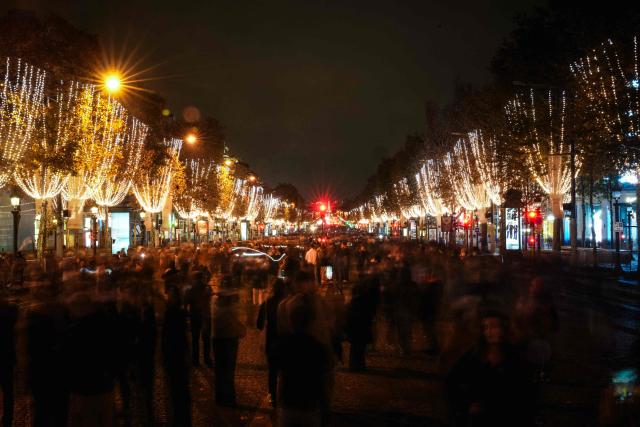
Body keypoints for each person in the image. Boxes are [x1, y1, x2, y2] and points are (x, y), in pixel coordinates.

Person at [447, 310, 535, 427]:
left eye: (494, 327)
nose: (489, 332)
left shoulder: (514, 358)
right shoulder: (475, 354)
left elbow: (524, 393)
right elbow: (452, 379)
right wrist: (466, 405)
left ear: (504, 329)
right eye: (485, 328)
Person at [273, 293, 333, 427]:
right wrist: (326, 408)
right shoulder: (318, 348)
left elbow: (278, 374)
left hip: (288, 404)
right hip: (310, 405)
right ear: (310, 322)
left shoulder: (282, 345)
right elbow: (323, 381)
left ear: (290, 322)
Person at [212, 275, 246, 407]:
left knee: (220, 369)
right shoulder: (231, 306)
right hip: (229, 339)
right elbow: (237, 320)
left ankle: (220, 397)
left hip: (217, 337)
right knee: (229, 370)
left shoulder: (214, 301)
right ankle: (230, 398)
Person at [257, 279, 286, 405]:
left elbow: (259, 324)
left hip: (272, 341)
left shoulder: (267, 304)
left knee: (272, 371)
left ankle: (273, 396)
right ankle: (285, 395)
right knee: (286, 369)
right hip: (286, 340)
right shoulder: (288, 302)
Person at [185, 270, 212, 367]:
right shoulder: (207, 287)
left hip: (194, 315)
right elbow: (209, 299)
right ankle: (207, 359)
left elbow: (186, 302)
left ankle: (195, 360)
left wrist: (187, 313)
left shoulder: (190, 289)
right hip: (205, 315)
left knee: (195, 339)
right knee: (206, 339)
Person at [0, 297, 18, 427]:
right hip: (7, 356)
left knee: (8, 391)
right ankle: (7, 419)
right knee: (8, 391)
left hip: (6, 356)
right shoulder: (12, 310)